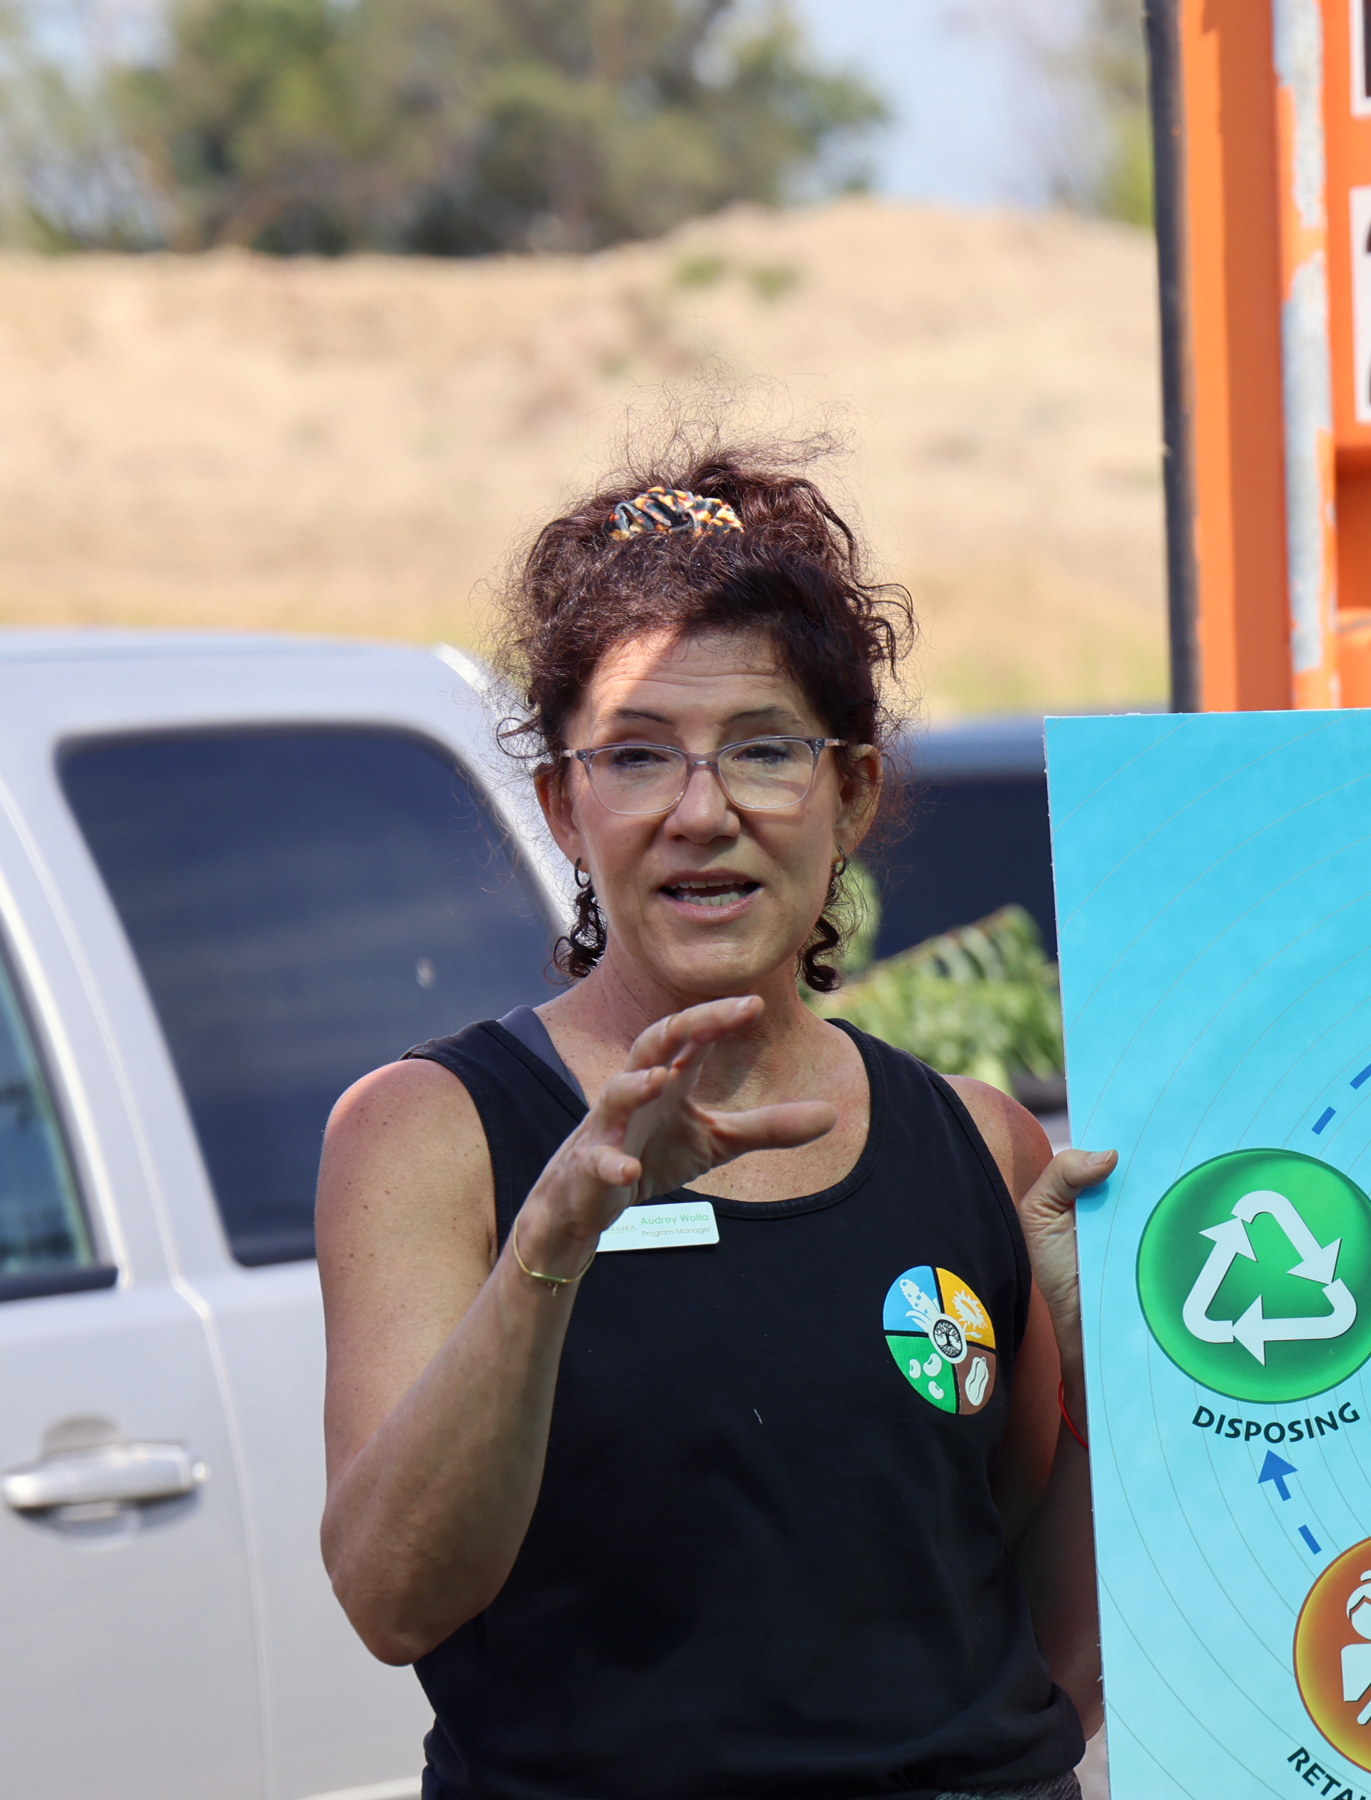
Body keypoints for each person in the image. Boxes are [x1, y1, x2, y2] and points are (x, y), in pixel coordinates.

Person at [315, 445, 1107, 1800]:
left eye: (764, 750)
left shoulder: (981, 1149)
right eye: (637, 756)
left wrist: (1107, 1383)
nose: (703, 812)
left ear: (850, 794)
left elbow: (1054, 1654)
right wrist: (551, 1247)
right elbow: (393, 1601)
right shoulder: (431, 1135)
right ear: (566, 808)